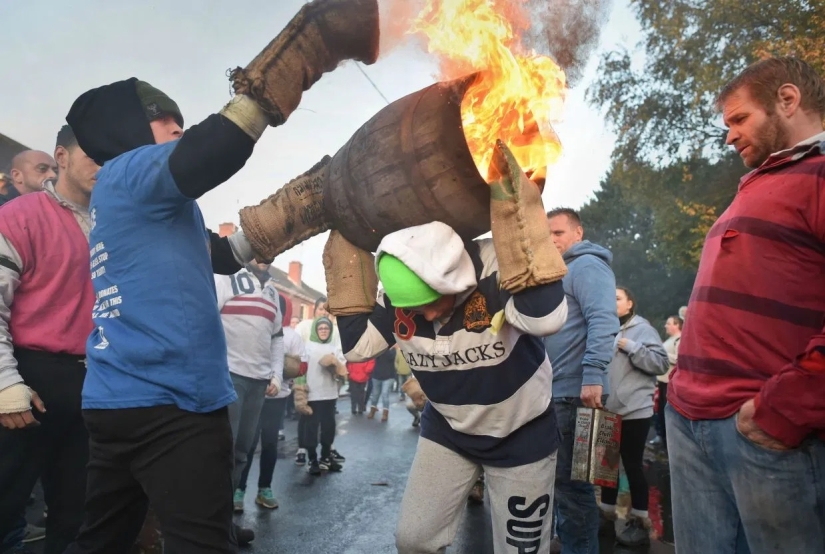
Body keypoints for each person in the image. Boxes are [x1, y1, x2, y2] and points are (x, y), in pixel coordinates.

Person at [61, 4, 378, 546]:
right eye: (168, 120)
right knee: (202, 541)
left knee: (104, 538)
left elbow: (223, 254)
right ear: (131, 129)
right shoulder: (132, 170)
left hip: (117, 400)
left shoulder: (131, 203)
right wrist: (296, 60)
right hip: (172, 403)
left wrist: (297, 212)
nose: (180, 128)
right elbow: (216, 150)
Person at [327, 142, 569, 554]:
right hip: (449, 432)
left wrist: (520, 222)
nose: (421, 317)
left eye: (429, 303)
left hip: (520, 433)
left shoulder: (494, 266)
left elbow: (547, 318)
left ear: (454, 280)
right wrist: (344, 252)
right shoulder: (399, 293)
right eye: (410, 309)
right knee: (414, 541)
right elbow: (357, 348)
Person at [667, 56, 825, 553]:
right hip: (689, 420)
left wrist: (786, 408)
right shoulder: (760, 183)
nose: (729, 135)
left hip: (761, 430)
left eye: (739, 119)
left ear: (787, 99)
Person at [0, 125, 98, 554]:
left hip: (93, 385)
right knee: (5, 508)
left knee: (77, 517)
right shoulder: (19, 215)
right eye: (92, 155)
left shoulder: (115, 226)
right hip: (30, 376)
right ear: (62, 157)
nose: (103, 165)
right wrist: (4, 382)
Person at [543, 207, 619, 554]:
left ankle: (580, 548)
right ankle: (573, 542)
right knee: (567, 484)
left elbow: (604, 321)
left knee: (574, 487)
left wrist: (593, 376)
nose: (551, 240)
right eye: (546, 234)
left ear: (578, 233)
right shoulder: (560, 271)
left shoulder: (587, 265)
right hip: (557, 393)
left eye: (557, 233)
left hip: (577, 394)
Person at [599, 287, 668, 547]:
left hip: (634, 411)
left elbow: (661, 364)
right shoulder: (601, 326)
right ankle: (605, 516)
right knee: (605, 468)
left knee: (632, 464)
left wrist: (631, 346)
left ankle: (639, 521)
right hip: (605, 408)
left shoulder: (642, 329)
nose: (611, 302)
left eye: (617, 298)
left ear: (630, 304)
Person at [215, 265, 283, 513]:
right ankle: (210, 517)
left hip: (258, 382)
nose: (264, 257)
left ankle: (225, 519)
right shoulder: (225, 278)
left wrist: (276, 375)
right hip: (229, 376)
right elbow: (207, 321)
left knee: (243, 450)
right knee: (223, 449)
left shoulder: (273, 292)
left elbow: (277, 338)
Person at [238, 294, 303, 510]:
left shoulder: (291, 336)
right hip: (252, 394)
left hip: (278, 397)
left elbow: (298, 367)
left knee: (269, 443)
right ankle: (239, 489)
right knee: (246, 443)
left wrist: (280, 375)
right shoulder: (254, 328)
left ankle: (264, 489)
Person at [302, 317, 347, 475]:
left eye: (326, 329)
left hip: (329, 393)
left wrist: (336, 368)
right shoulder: (307, 347)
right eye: (320, 328)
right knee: (312, 429)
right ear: (315, 330)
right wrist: (300, 390)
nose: (323, 331)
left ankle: (325, 457)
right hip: (313, 394)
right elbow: (301, 369)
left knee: (329, 427)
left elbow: (342, 370)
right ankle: (312, 459)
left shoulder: (333, 348)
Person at [649, 315, 681, 448]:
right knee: (660, 411)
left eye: (669, 323)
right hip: (662, 382)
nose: (665, 326)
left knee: (668, 413)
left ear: (677, 325)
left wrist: (662, 353)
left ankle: (670, 442)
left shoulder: (680, 340)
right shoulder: (670, 340)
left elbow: (680, 359)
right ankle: (662, 437)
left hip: (670, 384)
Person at [365, 347, 396, 422]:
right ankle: (372, 411)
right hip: (376, 375)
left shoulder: (392, 350)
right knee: (375, 394)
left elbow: (390, 357)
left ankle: (385, 414)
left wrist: (385, 349)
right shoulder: (377, 349)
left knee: (385, 394)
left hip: (388, 376)